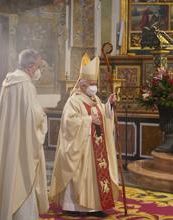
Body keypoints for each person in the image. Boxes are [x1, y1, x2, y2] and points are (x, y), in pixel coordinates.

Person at [0, 49, 49, 220]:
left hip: (8, 141)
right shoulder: (25, 85)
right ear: (31, 67)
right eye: (38, 67)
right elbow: (33, 117)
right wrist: (43, 114)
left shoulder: (8, 82)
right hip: (22, 144)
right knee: (21, 176)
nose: (39, 71)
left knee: (7, 172)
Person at [49, 53, 119, 217]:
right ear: (82, 84)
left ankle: (97, 206)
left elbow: (104, 117)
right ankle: (73, 206)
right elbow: (68, 123)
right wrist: (88, 120)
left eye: (95, 84)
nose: (94, 87)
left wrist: (109, 105)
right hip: (82, 148)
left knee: (97, 177)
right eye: (91, 84)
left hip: (97, 148)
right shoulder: (74, 100)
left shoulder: (94, 98)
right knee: (79, 175)